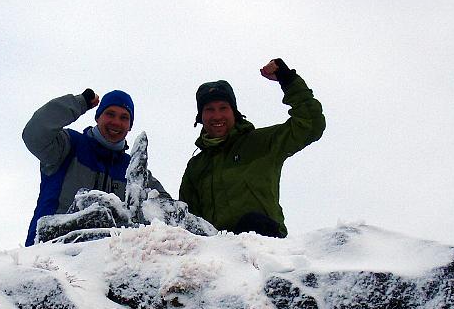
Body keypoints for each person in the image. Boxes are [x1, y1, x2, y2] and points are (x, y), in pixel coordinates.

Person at [178, 58, 325, 238]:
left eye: (223, 108)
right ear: (201, 116)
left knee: (253, 221)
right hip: (220, 256)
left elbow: (310, 124)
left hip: (265, 246)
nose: (217, 116)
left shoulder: (260, 143)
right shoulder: (196, 167)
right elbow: (188, 222)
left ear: (234, 112)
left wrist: (288, 80)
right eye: (209, 109)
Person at [21, 88, 167, 245]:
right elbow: (34, 133)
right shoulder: (67, 146)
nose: (116, 122)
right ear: (98, 117)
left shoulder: (135, 171)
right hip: (50, 252)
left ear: (130, 126)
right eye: (110, 114)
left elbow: (166, 209)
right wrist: (79, 103)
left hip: (104, 262)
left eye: (124, 117)